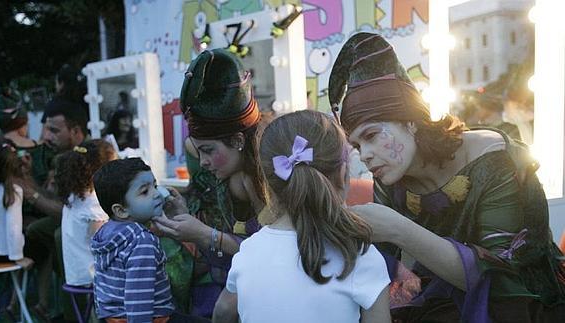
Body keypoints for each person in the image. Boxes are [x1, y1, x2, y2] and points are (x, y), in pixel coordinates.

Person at [328, 32, 565, 322]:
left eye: (372, 136)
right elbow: (386, 267)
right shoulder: (390, 176)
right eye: (356, 146)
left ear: (411, 122)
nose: (364, 154)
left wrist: (399, 229)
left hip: (526, 303)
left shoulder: (495, 160)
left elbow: (500, 282)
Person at [213, 110, 391, 323]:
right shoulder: (360, 256)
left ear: (268, 185)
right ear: (344, 175)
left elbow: (222, 312)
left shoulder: (248, 252)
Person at [152, 49, 265, 317]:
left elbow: (272, 255)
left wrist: (204, 233)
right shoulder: (237, 170)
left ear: (238, 141)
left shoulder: (256, 178)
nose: (202, 161)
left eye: (208, 150)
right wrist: (184, 217)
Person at [20, 101, 88, 318]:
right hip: (74, 221)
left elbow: (66, 212)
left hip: (90, 227)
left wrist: (30, 193)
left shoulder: (86, 157)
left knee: (59, 234)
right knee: (37, 229)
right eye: (47, 129)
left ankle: (72, 312)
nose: (47, 136)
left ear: (76, 131)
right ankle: (52, 301)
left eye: (54, 130)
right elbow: (58, 200)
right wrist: (27, 179)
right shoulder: (63, 158)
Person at [91, 158, 175, 322]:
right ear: (121, 210)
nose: (157, 194)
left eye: (155, 186)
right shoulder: (141, 241)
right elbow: (138, 298)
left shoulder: (106, 232)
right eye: (145, 191)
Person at [56, 140, 117, 287]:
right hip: (92, 276)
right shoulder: (93, 203)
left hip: (77, 273)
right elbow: (102, 244)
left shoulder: (75, 196)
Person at [0, 138, 34, 321]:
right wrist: (18, 256)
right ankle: (13, 307)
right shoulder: (13, 191)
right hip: (3, 255)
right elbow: (13, 229)